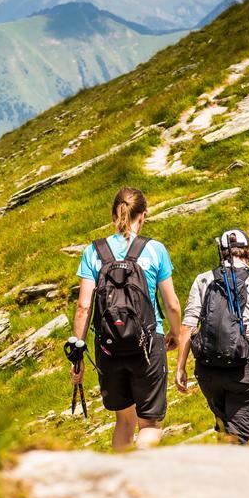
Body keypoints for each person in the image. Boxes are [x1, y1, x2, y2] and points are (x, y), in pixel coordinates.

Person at [71, 187, 182, 451]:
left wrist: (77, 353)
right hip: (147, 344)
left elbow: (83, 307)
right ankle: (140, 477)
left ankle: (122, 481)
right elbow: (172, 304)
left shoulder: (94, 251)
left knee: (123, 420)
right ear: (143, 216)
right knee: (150, 423)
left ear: (113, 215)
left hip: (108, 346)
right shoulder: (155, 250)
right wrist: (176, 334)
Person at [175, 229, 249, 445]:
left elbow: (187, 326)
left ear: (221, 252)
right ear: (247, 251)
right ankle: (233, 475)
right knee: (237, 435)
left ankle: (222, 472)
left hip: (208, 369)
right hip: (245, 369)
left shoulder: (203, 280)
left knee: (224, 429)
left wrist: (180, 367)